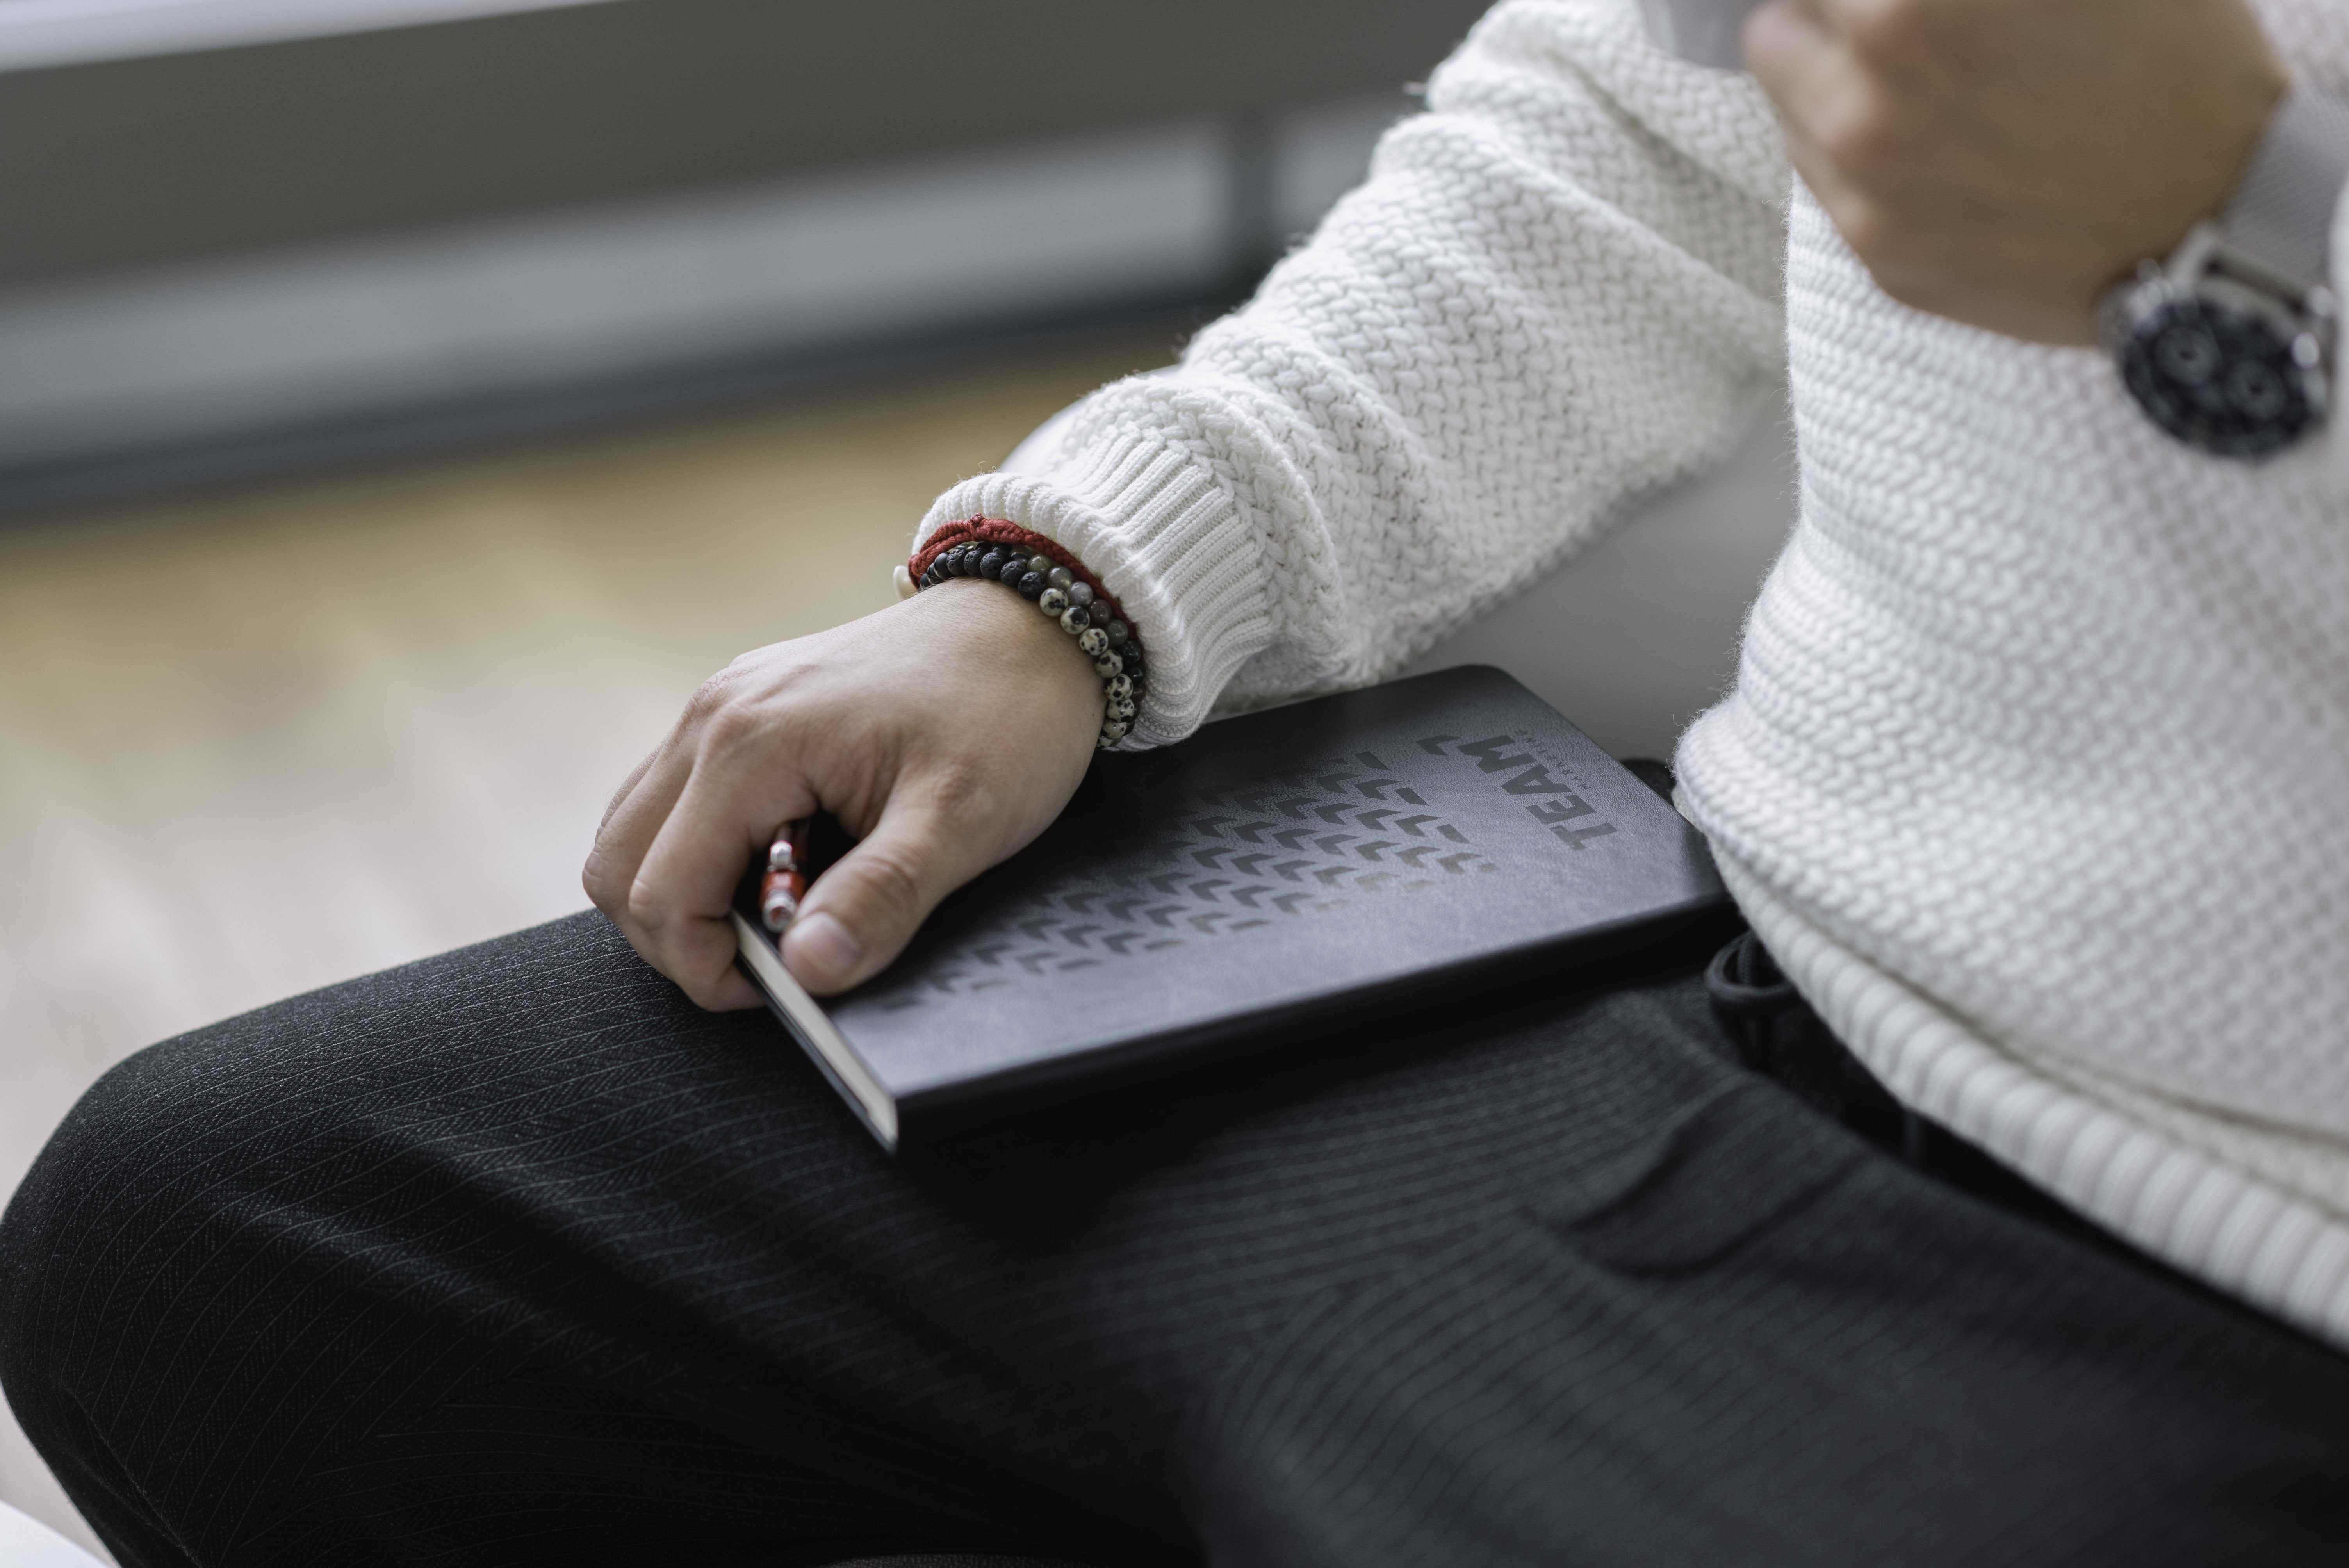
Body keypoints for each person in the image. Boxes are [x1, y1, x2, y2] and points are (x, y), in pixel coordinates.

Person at [6, 0, 2348, 1562]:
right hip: (1718, 956)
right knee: (212, 1259)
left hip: (2223, 1279)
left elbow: (2214, 207)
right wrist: (1080, 591)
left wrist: (2259, 233)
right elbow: (1660, 131)